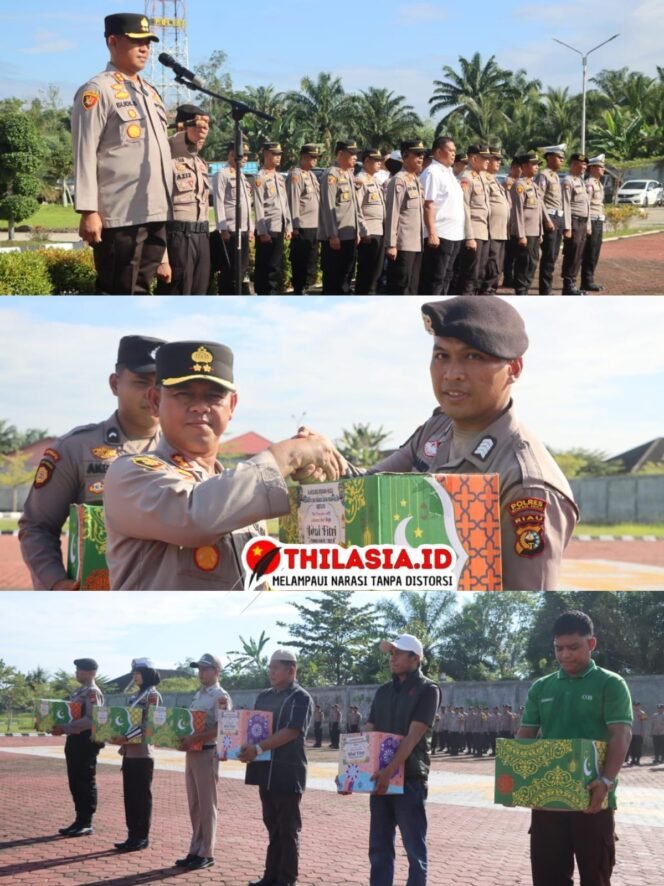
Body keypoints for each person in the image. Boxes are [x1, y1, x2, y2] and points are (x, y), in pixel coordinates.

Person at [367, 296, 579, 590]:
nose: (452, 373)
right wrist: (321, 458)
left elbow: (525, 593)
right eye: (441, 356)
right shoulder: (438, 428)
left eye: (473, 357)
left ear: (514, 369)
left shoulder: (525, 483)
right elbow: (369, 486)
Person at [103, 340, 346, 589]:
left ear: (232, 405)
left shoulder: (242, 489)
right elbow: (196, 518)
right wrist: (289, 455)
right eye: (183, 394)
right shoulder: (130, 472)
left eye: (214, 396)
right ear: (155, 401)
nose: (199, 406)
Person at [19, 335, 164, 590]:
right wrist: (55, 583)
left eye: (161, 385)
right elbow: (37, 527)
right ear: (114, 384)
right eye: (141, 382)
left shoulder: (185, 450)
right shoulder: (76, 448)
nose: (152, 394)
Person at [517, 609, 633, 886]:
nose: (565, 655)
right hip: (548, 801)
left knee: (595, 877)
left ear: (591, 644)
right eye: (559, 648)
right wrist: (516, 779)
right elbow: (525, 735)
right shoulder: (541, 688)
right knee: (548, 878)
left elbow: (621, 735)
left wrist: (606, 780)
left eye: (573, 647)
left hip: (593, 798)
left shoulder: (610, 684)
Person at [71, 13, 172, 294]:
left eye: (148, 42)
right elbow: (84, 150)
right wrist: (89, 210)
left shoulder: (150, 93)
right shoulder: (98, 90)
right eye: (136, 41)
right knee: (117, 290)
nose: (145, 48)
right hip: (120, 216)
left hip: (154, 210)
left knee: (140, 290)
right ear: (113, 41)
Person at [365, 633, 439, 886]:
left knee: (414, 849)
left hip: (409, 779)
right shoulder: (383, 692)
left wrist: (388, 772)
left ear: (414, 658)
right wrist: (353, 772)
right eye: (391, 653)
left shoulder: (428, 690)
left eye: (397, 653)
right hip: (380, 780)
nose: (392, 658)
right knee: (379, 848)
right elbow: (370, 733)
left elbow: (413, 737)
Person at [240, 649, 314, 886]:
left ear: (291, 670)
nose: (270, 671)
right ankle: (270, 877)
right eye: (270, 667)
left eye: (275, 667)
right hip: (265, 772)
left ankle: (286, 879)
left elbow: (292, 731)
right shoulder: (264, 697)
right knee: (272, 827)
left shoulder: (300, 697)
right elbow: (253, 727)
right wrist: (241, 747)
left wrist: (258, 748)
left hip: (287, 772)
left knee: (288, 830)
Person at [175, 653, 231, 870]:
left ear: (217, 671)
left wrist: (194, 739)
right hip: (193, 752)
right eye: (199, 669)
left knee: (207, 805)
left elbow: (222, 727)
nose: (201, 672)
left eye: (205, 669)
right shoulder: (199, 695)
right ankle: (195, 849)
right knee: (195, 803)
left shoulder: (220, 696)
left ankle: (207, 852)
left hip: (207, 752)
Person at [156, 104, 211, 295]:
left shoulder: (199, 163)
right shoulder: (165, 157)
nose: (202, 131)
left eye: (205, 126)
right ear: (182, 127)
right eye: (197, 125)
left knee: (199, 296)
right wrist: (162, 259)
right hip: (178, 239)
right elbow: (156, 210)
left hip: (202, 237)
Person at [114, 657, 162, 852]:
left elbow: (151, 726)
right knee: (130, 797)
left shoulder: (152, 695)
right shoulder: (135, 696)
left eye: (138, 673)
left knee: (141, 798)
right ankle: (132, 834)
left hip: (142, 753)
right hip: (129, 753)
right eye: (133, 673)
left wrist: (125, 737)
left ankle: (141, 836)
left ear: (148, 674)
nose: (135, 676)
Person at [53, 658, 105, 837]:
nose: (76, 673)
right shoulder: (79, 691)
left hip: (86, 741)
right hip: (75, 740)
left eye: (80, 670)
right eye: (76, 670)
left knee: (85, 780)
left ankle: (86, 822)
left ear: (90, 672)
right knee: (75, 780)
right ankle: (79, 819)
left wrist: (65, 727)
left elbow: (92, 719)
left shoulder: (92, 692)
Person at [418, 136, 465, 296]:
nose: (453, 154)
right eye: (450, 150)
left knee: (447, 277)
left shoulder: (449, 173)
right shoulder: (432, 172)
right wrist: (432, 233)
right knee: (435, 278)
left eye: (454, 151)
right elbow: (428, 204)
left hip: (455, 234)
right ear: (438, 152)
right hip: (440, 234)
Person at [319, 140, 363, 294]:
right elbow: (328, 207)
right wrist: (332, 234)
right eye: (352, 154)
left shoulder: (348, 174)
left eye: (356, 154)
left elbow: (354, 206)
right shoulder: (331, 174)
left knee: (346, 277)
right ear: (340, 154)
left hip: (349, 235)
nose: (355, 157)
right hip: (336, 237)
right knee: (333, 279)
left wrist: (357, 231)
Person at [384, 139, 426, 294]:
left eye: (422, 154)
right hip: (402, 244)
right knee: (400, 287)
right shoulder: (399, 180)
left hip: (416, 243)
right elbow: (392, 213)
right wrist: (391, 244)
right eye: (417, 154)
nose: (421, 158)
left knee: (412, 287)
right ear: (405, 156)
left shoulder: (415, 180)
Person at [211, 140, 253, 295]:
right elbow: (218, 202)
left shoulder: (241, 175)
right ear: (232, 154)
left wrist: (250, 228)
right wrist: (223, 229)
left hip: (243, 230)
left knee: (241, 269)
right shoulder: (222, 174)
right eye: (243, 155)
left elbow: (247, 203)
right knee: (229, 270)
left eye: (247, 155)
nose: (246, 158)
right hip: (230, 231)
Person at [253, 142, 292, 294]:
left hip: (279, 226)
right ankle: (264, 294)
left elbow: (285, 203)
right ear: (266, 155)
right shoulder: (260, 177)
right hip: (268, 228)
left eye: (279, 154)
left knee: (275, 265)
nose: (278, 157)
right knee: (266, 266)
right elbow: (258, 205)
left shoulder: (279, 178)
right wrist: (262, 232)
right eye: (275, 154)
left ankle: (273, 292)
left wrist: (288, 226)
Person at [454, 144, 491, 294]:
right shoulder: (466, 178)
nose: (488, 161)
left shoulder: (480, 176)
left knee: (479, 273)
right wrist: (469, 236)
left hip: (483, 230)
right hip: (473, 232)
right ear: (474, 158)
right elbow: (464, 207)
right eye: (485, 158)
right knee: (470, 275)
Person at [509, 151, 547, 295]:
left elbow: (537, 211)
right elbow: (517, 212)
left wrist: (540, 232)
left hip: (534, 232)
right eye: (534, 164)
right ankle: (521, 291)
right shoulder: (519, 185)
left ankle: (525, 289)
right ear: (524, 166)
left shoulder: (533, 185)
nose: (537, 167)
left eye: (538, 165)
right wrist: (521, 235)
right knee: (524, 265)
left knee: (532, 263)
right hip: (525, 233)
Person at [287, 144, 321, 294]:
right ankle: (299, 288)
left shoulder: (311, 175)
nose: (315, 160)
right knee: (300, 259)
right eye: (312, 157)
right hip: (302, 225)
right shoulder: (296, 174)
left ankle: (306, 287)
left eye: (316, 157)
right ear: (303, 157)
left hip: (314, 225)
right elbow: (293, 201)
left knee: (311, 259)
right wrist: (294, 226)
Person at [534, 144, 566, 294]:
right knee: (548, 256)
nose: (562, 160)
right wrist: (546, 220)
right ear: (550, 157)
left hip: (558, 218)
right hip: (550, 217)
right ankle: (545, 290)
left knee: (553, 255)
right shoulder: (544, 175)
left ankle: (548, 287)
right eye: (559, 157)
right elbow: (539, 199)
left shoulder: (555, 176)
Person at [354, 149, 386, 295]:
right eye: (376, 160)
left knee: (376, 270)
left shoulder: (375, 180)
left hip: (379, 230)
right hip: (369, 232)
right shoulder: (360, 180)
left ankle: (370, 294)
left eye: (380, 160)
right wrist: (363, 230)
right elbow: (357, 208)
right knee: (367, 270)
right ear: (366, 161)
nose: (379, 163)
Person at [481, 145, 510, 295]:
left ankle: (491, 289)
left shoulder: (493, 179)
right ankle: (487, 291)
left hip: (500, 230)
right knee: (491, 264)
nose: (499, 162)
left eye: (499, 160)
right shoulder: (483, 179)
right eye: (495, 159)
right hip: (491, 229)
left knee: (497, 265)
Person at [561, 153, 591, 295]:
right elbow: (566, 204)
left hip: (583, 222)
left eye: (585, 165)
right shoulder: (568, 181)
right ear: (572, 164)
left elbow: (587, 205)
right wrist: (567, 227)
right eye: (581, 164)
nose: (584, 167)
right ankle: (568, 285)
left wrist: (589, 224)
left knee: (579, 254)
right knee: (572, 253)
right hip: (574, 221)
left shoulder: (581, 181)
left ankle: (573, 283)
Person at [581, 155, 607, 292]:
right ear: (592, 168)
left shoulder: (598, 183)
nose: (603, 169)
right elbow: (587, 205)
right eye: (601, 166)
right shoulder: (589, 184)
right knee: (589, 252)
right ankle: (586, 281)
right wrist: (588, 225)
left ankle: (590, 279)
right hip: (592, 220)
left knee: (595, 252)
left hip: (598, 220)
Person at [502, 157, 522, 289]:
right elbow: (509, 203)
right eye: (520, 167)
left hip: (514, 221)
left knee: (514, 252)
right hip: (510, 221)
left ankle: (511, 277)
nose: (522, 170)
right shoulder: (509, 182)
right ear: (514, 167)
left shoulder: (517, 182)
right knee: (509, 252)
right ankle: (508, 278)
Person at [627, 701, 647, 765]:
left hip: (639, 733)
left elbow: (644, 724)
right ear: (633, 706)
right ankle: (632, 760)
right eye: (635, 705)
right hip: (631, 733)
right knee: (632, 747)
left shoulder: (643, 713)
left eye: (638, 705)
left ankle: (637, 760)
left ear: (640, 706)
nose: (636, 707)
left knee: (638, 747)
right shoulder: (630, 713)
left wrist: (642, 732)